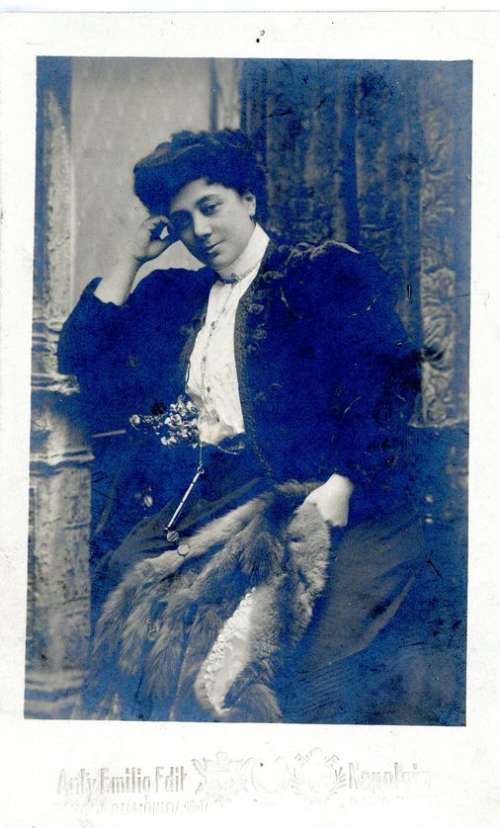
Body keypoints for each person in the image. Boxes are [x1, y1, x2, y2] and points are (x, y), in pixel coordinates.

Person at [59, 129, 425, 723]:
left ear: (248, 199)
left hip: (322, 490)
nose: (200, 231)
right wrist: (130, 257)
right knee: (128, 579)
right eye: (182, 220)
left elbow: (390, 381)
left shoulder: (317, 274)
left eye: (211, 207)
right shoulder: (175, 296)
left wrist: (344, 481)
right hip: (214, 495)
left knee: (290, 654)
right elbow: (80, 354)